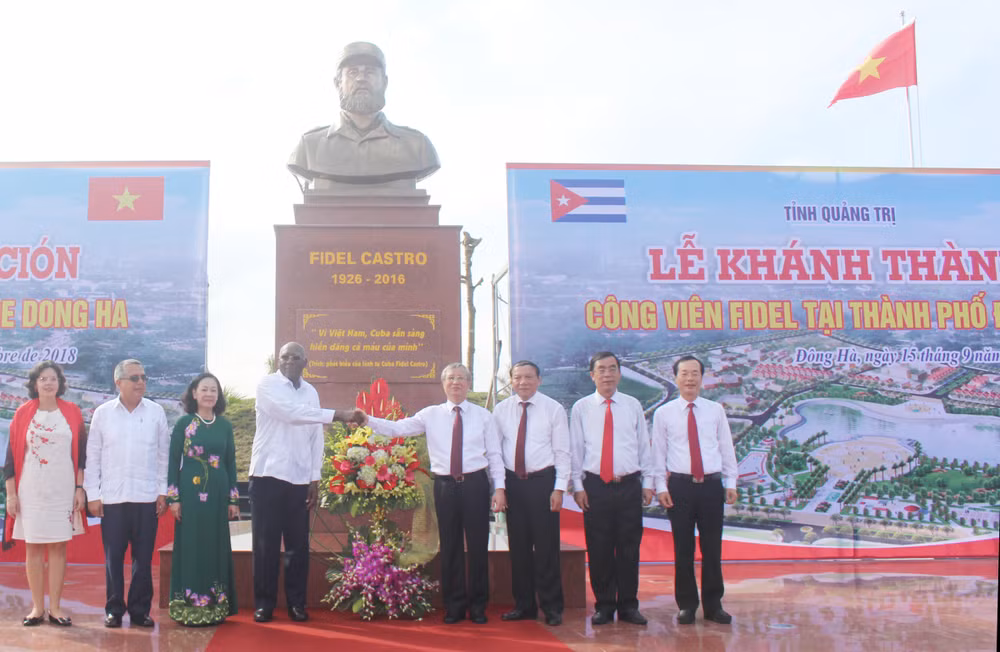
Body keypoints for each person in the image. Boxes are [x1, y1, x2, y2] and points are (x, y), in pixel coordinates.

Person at [365, 363, 506, 625]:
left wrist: (499, 488)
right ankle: (453, 605)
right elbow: (398, 428)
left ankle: (478, 606)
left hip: (475, 484)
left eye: (462, 378)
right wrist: (367, 420)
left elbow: (495, 455)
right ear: (443, 384)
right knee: (450, 545)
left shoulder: (483, 416)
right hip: (444, 486)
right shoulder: (430, 414)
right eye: (451, 378)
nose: (456, 383)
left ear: (468, 383)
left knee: (477, 546)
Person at [250, 341, 365, 624]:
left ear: (305, 362)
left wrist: (315, 478)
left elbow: (316, 437)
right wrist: (338, 414)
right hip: (267, 476)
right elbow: (290, 414)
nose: (289, 361)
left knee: (298, 546)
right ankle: (264, 604)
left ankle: (296, 604)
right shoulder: (267, 385)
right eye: (284, 356)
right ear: (278, 360)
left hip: (299, 479)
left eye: (295, 357)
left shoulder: (311, 391)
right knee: (265, 545)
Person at [84, 358, 170, 629]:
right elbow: (93, 456)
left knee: (143, 560)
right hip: (112, 499)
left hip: (146, 498)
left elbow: (163, 456)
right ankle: (113, 609)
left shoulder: (156, 412)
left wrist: (162, 491)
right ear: (118, 382)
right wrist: (92, 495)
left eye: (143, 377)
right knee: (113, 559)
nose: (141, 382)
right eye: (134, 378)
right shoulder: (103, 413)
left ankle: (140, 610)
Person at [570, 352, 654, 626]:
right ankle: (604, 606)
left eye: (612, 369)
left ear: (619, 374)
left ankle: (629, 606)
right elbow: (576, 450)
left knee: (629, 548)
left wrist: (649, 483)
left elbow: (644, 446)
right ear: (592, 375)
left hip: (629, 485)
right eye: (601, 369)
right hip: (595, 487)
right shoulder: (581, 408)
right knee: (599, 548)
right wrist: (578, 486)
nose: (607, 374)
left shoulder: (632, 405)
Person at [653, 355, 738, 625]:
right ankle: (687, 605)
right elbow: (658, 453)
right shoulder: (663, 413)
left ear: (703, 377)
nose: (690, 379)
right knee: (683, 548)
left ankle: (714, 605)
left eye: (695, 373)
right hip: (679, 487)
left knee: (712, 548)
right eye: (684, 374)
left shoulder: (715, 410)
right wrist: (660, 487)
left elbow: (726, 447)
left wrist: (731, 482)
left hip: (712, 487)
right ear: (675, 377)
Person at [288, 41, 440, 189]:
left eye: (370, 72)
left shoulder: (417, 146)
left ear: (385, 83)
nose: (361, 78)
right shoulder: (309, 146)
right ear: (337, 83)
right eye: (353, 72)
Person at [3, 361, 88, 627]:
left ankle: (56, 608)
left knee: (58, 547)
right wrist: (11, 495)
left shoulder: (72, 413)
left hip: (62, 490)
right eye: (43, 378)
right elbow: (10, 459)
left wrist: (79, 488)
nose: (48, 383)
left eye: (53, 378)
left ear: (60, 383)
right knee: (34, 547)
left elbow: (82, 456)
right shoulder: (23, 413)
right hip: (31, 490)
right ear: (35, 384)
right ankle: (37, 608)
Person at [493, 361, 569, 627]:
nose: (522, 382)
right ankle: (523, 606)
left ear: (539, 380)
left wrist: (559, 488)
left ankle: (552, 607)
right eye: (517, 377)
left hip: (543, 483)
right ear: (511, 381)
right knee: (519, 549)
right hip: (513, 484)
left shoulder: (553, 409)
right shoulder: (500, 410)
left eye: (528, 377)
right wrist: (499, 488)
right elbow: (495, 454)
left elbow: (562, 452)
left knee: (547, 548)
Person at [165, 372, 239, 626]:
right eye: (204, 389)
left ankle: (215, 606)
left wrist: (233, 500)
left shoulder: (225, 425)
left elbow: (230, 463)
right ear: (194, 393)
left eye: (214, 390)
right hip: (191, 496)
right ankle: (189, 607)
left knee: (215, 547)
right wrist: (173, 498)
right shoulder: (184, 423)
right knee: (192, 546)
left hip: (218, 496)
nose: (209, 394)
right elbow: (174, 462)